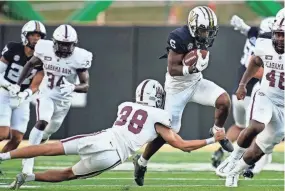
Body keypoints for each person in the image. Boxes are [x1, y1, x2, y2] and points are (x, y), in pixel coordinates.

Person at [0, 79, 225, 190]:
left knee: (51, 148)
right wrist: (211, 139)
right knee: (69, 173)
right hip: (115, 154)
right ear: (157, 96)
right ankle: (28, 178)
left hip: (101, 138)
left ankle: (4, 157)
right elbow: (183, 145)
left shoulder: (125, 105)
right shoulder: (160, 116)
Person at [133, 6, 232, 186]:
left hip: (197, 82)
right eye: (203, 30)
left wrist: (195, 69)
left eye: (209, 31)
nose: (206, 35)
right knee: (170, 131)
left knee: (224, 100)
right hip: (176, 88)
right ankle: (142, 162)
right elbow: (173, 69)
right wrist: (190, 68)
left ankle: (217, 131)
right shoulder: (178, 37)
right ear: (193, 27)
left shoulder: (202, 37)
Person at [8, 24, 93, 176]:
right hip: (46, 94)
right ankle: (27, 164)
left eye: (68, 45)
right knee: (41, 122)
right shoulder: (44, 48)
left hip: (63, 101)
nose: (65, 49)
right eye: (62, 44)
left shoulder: (81, 57)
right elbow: (30, 64)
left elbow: (85, 85)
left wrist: (73, 87)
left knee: (47, 132)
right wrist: (18, 84)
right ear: (54, 42)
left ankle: (36, 145)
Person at [224, 14, 284, 187]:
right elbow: (255, 61)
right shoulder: (265, 44)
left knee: (257, 152)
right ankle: (233, 157)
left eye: (283, 35)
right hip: (265, 94)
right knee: (256, 125)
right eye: (277, 34)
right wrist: (243, 84)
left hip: (283, 105)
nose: (279, 38)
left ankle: (234, 171)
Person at [0, 20, 46, 152]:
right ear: (25, 35)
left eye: (39, 36)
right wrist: (9, 85)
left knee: (17, 139)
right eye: (33, 35)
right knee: (2, 134)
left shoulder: (43, 58)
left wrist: (24, 94)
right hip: (4, 94)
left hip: (23, 98)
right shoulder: (13, 48)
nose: (36, 39)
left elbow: (35, 84)